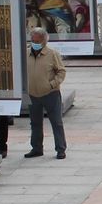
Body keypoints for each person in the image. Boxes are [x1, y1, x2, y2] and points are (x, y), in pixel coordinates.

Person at [24, 28, 68, 160]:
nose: (35, 43)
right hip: (32, 94)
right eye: (33, 40)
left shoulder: (52, 54)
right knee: (35, 123)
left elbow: (61, 72)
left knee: (56, 122)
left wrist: (52, 84)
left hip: (51, 94)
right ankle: (37, 148)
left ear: (44, 41)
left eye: (38, 41)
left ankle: (60, 149)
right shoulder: (25, 54)